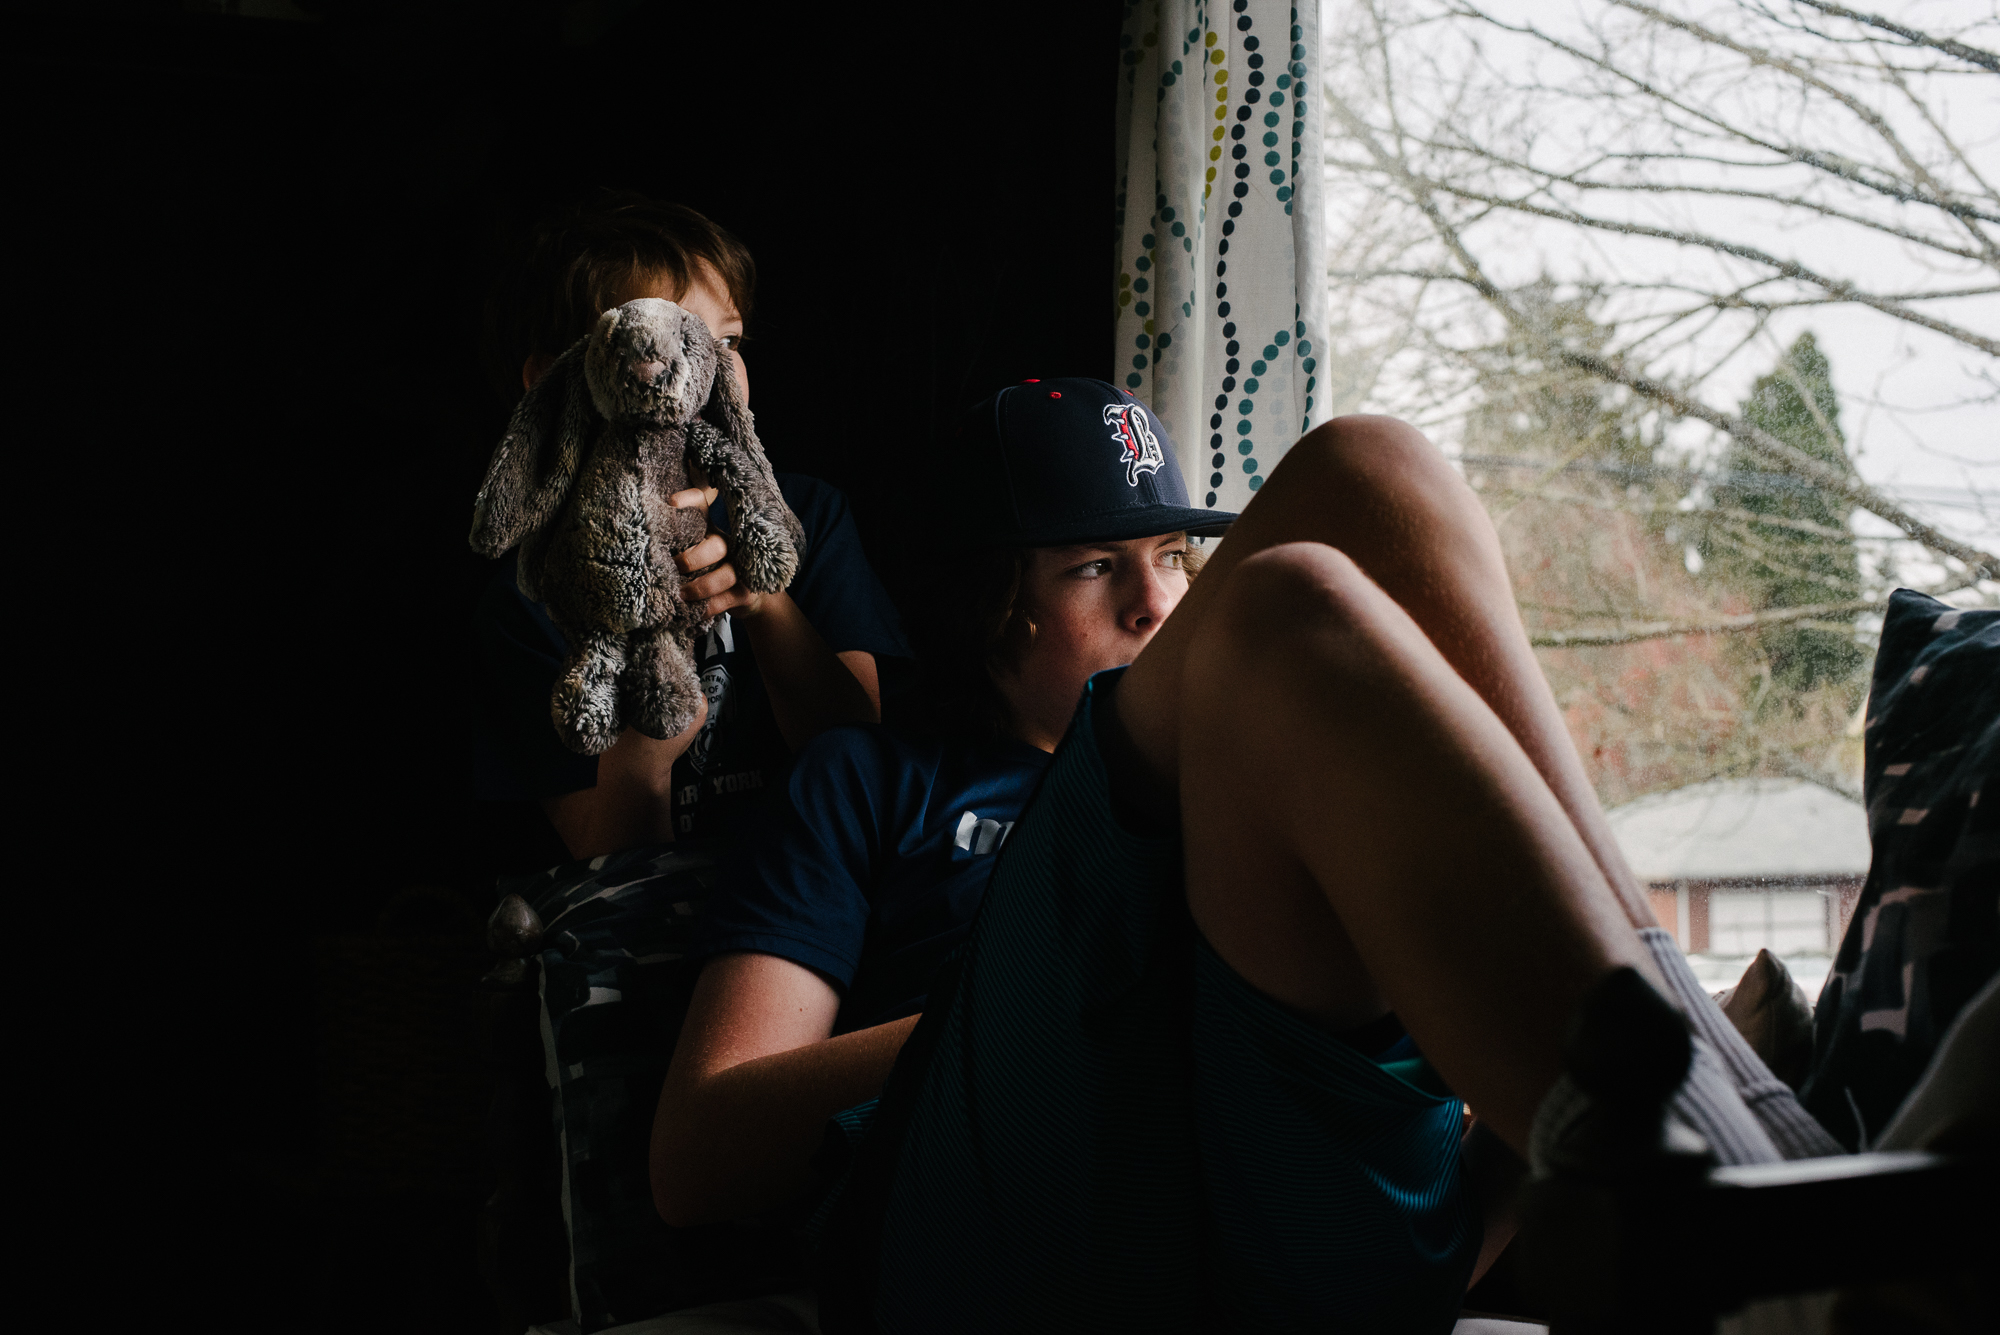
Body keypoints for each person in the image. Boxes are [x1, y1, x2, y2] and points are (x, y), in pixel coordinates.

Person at [652, 380, 1841, 1331]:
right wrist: (1083, 998)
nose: (1156, 602)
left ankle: (1716, 1143)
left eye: (1170, 554)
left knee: (1375, 469)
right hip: (989, 1223)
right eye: (1091, 567)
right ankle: (1714, 1130)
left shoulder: (1223, 755)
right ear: (986, 604)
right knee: (1287, 610)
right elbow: (700, 1155)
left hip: (1292, 1214)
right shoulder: (869, 781)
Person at [474, 193, 911, 862]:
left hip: (804, 884)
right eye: (665, 337)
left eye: (727, 339)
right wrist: (639, 626)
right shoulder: (536, 590)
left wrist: (765, 600)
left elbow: (860, 747)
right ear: (559, 380)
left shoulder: (807, 518)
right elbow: (604, 847)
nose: (707, 365)